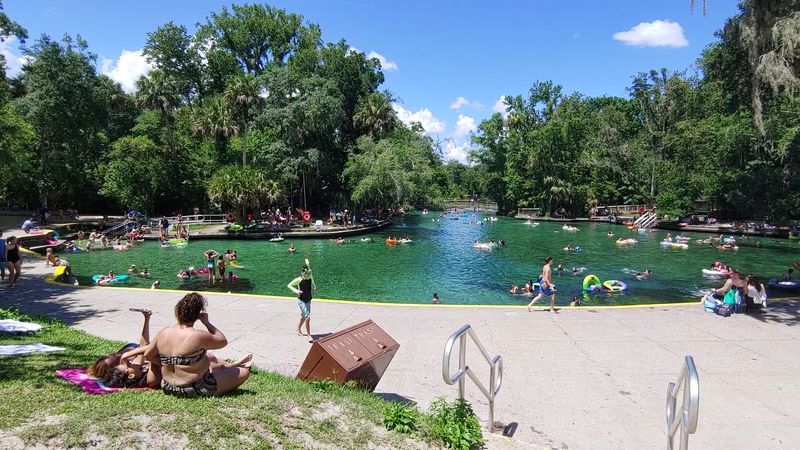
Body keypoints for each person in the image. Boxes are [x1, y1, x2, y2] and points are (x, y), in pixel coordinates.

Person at [137, 293, 252, 397]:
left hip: (167, 386)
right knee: (243, 372)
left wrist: (166, 362)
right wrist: (207, 322)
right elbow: (222, 341)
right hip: (195, 389)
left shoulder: (163, 333)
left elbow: (148, 355)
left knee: (207, 362)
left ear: (177, 312)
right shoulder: (198, 335)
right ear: (197, 315)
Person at [87, 309, 162, 389]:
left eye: (114, 355)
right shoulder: (150, 378)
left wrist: (147, 318)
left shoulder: (135, 367)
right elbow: (149, 349)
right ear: (131, 375)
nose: (127, 361)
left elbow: (144, 347)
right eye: (127, 364)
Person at [287, 259, 317, 343]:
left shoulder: (310, 277)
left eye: (309, 274)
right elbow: (289, 285)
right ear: (303, 273)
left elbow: (313, 281)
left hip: (308, 299)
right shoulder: (298, 279)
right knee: (307, 317)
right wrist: (296, 291)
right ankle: (309, 335)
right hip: (302, 300)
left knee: (304, 316)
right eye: (307, 274)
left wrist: (314, 286)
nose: (308, 276)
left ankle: (298, 329)